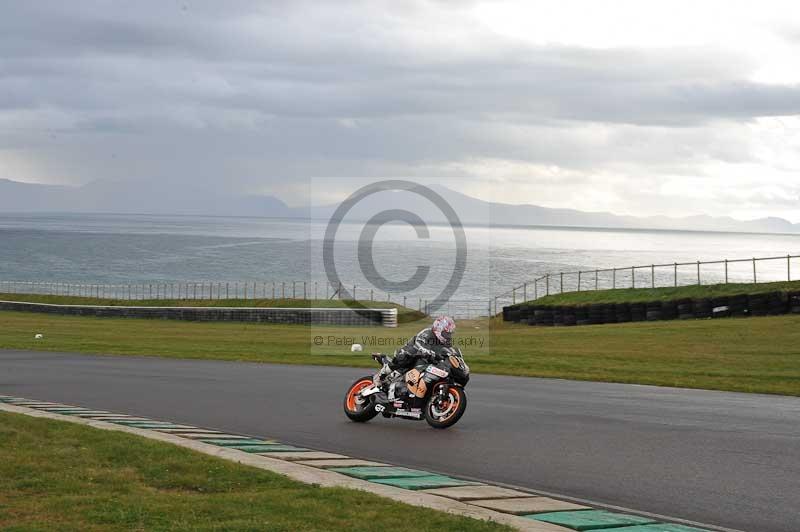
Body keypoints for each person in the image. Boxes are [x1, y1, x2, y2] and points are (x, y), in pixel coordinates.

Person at [386, 315, 456, 373]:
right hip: (409, 354)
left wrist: (454, 355)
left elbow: (449, 351)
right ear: (438, 329)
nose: (448, 336)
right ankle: (384, 374)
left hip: (428, 360)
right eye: (446, 333)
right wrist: (430, 353)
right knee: (408, 355)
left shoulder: (446, 341)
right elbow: (419, 345)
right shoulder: (427, 333)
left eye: (449, 333)